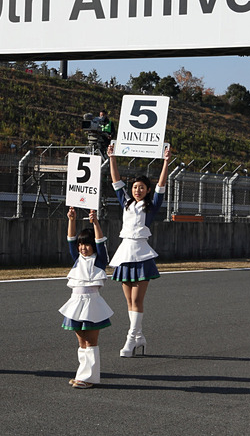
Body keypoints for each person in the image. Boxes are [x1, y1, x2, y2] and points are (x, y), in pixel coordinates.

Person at [106, 142, 171, 357]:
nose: (137, 190)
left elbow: (162, 186)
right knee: (128, 300)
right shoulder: (125, 202)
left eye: (142, 187)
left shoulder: (151, 207)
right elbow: (116, 181)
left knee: (137, 300)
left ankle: (130, 338)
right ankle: (139, 336)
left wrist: (165, 162)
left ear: (148, 190)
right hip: (125, 253)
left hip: (142, 254)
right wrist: (113, 157)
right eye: (134, 187)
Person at [60, 207, 113, 389]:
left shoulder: (99, 260)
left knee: (91, 341)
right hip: (75, 303)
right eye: (81, 245)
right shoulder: (77, 258)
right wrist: (72, 220)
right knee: (81, 341)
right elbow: (70, 239)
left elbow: (100, 242)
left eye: (87, 244)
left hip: (92, 304)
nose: (83, 248)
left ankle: (89, 378)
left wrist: (95, 222)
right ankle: (82, 374)